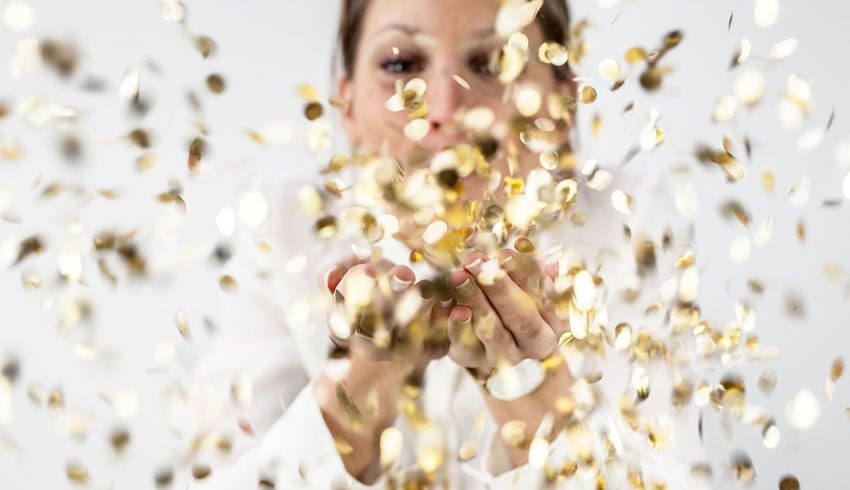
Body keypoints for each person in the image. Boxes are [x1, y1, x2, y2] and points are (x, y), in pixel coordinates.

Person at [187, 0, 708, 488]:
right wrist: (366, 375)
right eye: (400, 64)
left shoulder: (633, 224)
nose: (444, 108)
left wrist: (530, 385)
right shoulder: (284, 228)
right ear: (346, 102)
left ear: (562, 103)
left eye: (493, 62)